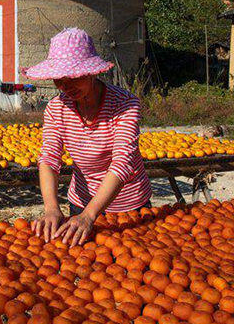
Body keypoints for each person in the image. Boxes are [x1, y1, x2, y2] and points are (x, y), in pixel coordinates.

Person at [25, 28, 152, 247]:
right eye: (59, 79)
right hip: (81, 204)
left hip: (129, 209)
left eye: (73, 77)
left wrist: (90, 215)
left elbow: (123, 163)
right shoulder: (56, 108)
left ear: (93, 73)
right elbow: (49, 158)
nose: (66, 86)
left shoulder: (125, 104)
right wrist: (52, 208)